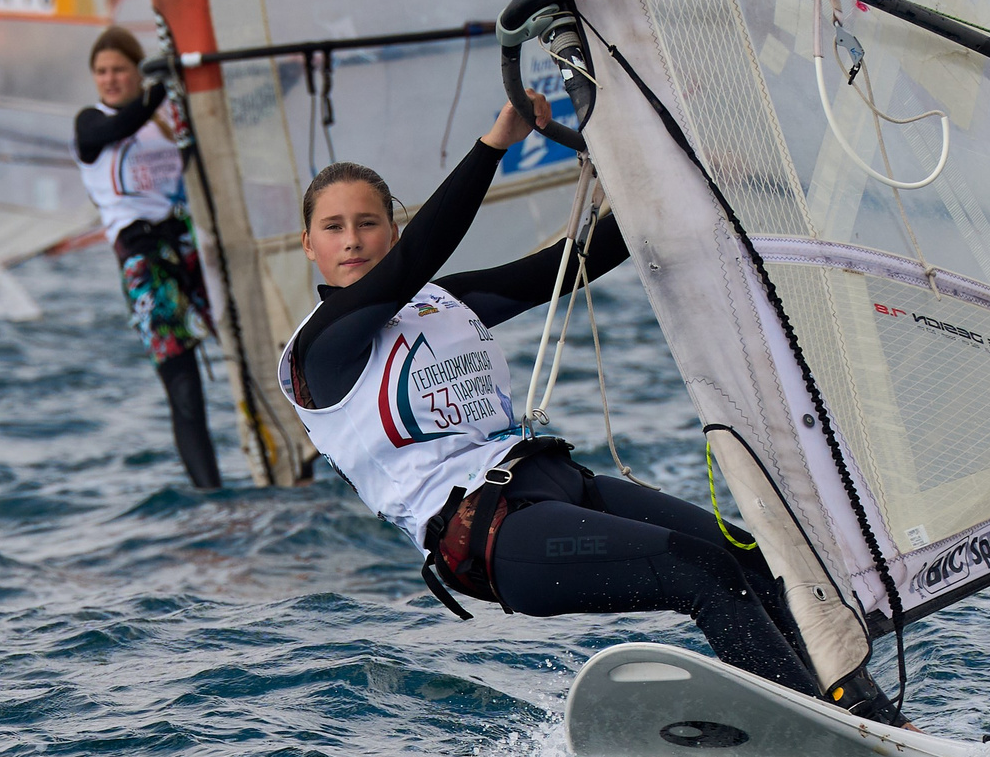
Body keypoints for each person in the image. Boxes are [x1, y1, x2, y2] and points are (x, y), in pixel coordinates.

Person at [281, 97, 902, 721]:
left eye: (368, 223)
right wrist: (496, 142)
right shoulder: (319, 351)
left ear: (391, 228)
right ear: (309, 245)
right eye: (334, 228)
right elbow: (420, 257)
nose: (353, 240)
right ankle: (800, 730)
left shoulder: (442, 302)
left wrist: (677, 179)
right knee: (704, 574)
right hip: (488, 538)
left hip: (551, 482)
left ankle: (868, 718)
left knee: (751, 561)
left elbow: (569, 266)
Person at [76, 28, 221, 491]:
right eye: (101, 71)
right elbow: (119, 125)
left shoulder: (163, 120)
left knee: (258, 351)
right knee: (183, 386)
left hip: (188, 246)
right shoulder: (90, 123)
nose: (110, 79)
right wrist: (160, 83)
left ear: (135, 71)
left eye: (119, 69)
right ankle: (211, 495)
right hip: (143, 259)